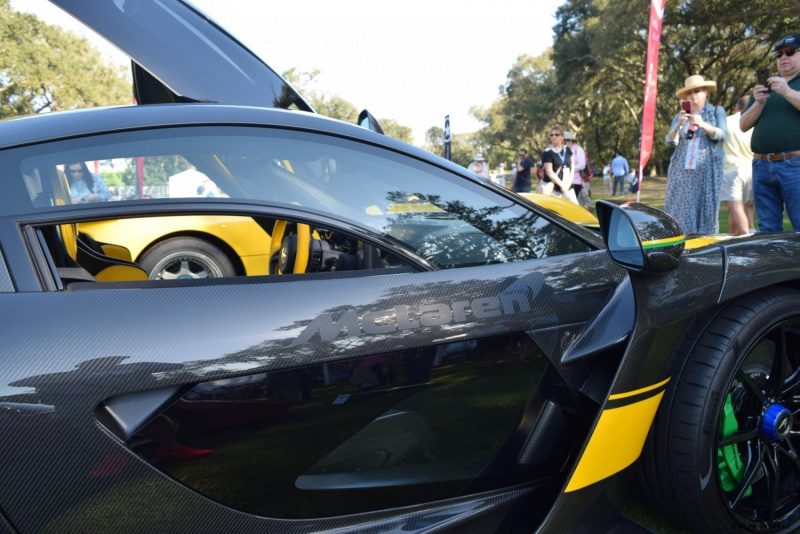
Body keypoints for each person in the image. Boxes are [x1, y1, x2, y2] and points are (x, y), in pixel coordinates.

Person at [740, 33, 800, 232]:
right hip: (761, 165)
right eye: (779, 54)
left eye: (790, 52)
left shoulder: (786, 87)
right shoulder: (765, 88)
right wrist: (758, 102)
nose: (783, 57)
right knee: (767, 230)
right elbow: (743, 125)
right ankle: (774, 264)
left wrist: (787, 92)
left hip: (795, 165)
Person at [664, 74, 727, 234]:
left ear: (706, 92)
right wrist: (678, 124)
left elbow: (723, 135)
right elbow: (669, 141)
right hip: (682, 173)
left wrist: (703, 124)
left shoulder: (716, 111)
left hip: (707, 171)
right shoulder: (680, 116)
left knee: (706, 210)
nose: (693, 96)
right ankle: (682, 246)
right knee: (680, 211)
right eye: (689, 93)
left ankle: (705, 250)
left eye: (697, 91)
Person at [721, 96, 754, 235]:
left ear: (736, 106)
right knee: (742, 208)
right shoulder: (754, 123)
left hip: (731, 170)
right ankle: (732, 237)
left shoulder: (727, 122)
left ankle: (747, 238)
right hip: (751, 171)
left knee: (736, 209)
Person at [540, 126, 574, 202]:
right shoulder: (548, 152)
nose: (553, 137)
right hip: (554, 188)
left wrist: (567, 185)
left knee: (575, 209)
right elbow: (549, 172)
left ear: (562, 137)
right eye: (551, 135)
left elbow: (572, 168)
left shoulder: (567, 149)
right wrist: (562, 185)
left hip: (568, 186)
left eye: (556, 135)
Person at [564, 132, 590, 207]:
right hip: (565, 181)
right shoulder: (564, 150)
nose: (565, 143)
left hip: (576, 181)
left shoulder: (578, 150)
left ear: (571, 141)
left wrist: (570, 170)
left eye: (567, 141)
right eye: (564, 141)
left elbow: (582, 165)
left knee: (572, 203)